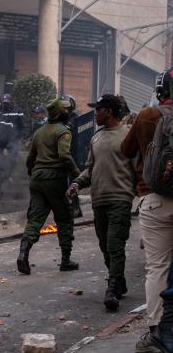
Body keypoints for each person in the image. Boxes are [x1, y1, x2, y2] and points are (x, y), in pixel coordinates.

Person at [121, 67, 173, 353]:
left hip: (152, 198)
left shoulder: (147, 115)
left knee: (157, 267)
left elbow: (125, 151)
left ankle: (156, 330)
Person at [67, 95, 133, 311]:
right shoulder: (96, 138)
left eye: (98, 110)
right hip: (99, 200)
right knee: (105, 245)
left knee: (115, 245)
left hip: (120, 199)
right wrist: (77, 183)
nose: (95, 114)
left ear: (109, 112)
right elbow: (90, 168)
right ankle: (119, 281)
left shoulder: (127, 135)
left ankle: (112, 288)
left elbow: (137, 167)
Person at [17, 98, 80, 275]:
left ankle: (23, 253)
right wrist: (78, 174)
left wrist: (33, 174)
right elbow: (64, 156)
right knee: (64, 218)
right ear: (63, 114)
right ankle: (66, 260)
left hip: (37, 179)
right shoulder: (63, 132)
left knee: (35, 218)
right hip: (55, 179)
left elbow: (30, 159)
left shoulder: (39, 132)